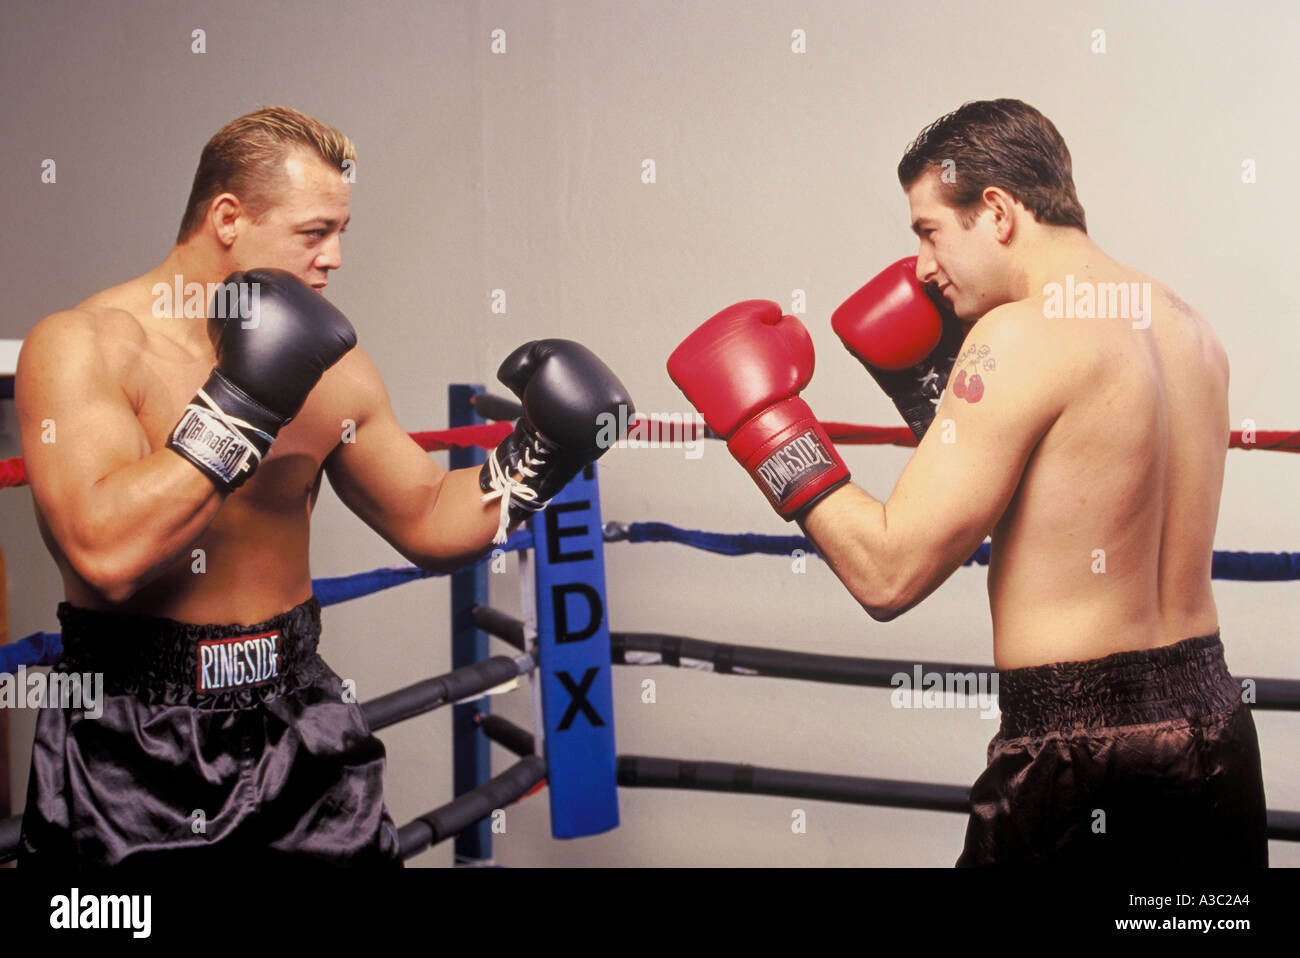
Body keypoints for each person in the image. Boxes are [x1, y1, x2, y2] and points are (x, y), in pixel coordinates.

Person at [15, 106, 632, 868]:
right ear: (229, 218)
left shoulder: (328, 358)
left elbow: (430, 519)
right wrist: (242, 402)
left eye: (341, 231)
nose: (334, 258)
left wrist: (542, 455)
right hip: (132, 739)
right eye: (314, 232)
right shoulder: (85, 345)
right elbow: (105, 553)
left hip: (297, 716)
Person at [668, 99, 1267, 867]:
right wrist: (928, 394)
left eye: (929, 231)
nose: (921, 266)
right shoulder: (1191, 329)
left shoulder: (1016, 337)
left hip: (1075, 761)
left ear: (997, 211)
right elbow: (1062, 507)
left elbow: (887, 573)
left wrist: (766, 424)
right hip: (1215, 734)